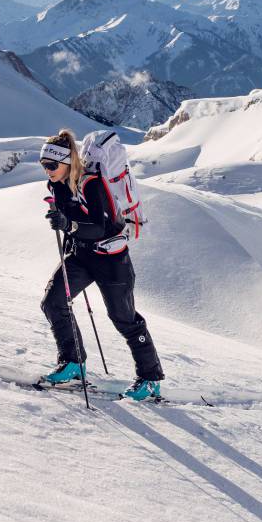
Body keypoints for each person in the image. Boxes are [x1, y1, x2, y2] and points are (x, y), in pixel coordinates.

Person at [38, 129, 165, 401]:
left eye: (51, 165)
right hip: (82, 255)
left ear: (68, 162)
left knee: (124, 319)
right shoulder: (57, 185)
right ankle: (73, 364)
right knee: (53, 302)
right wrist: (61, 218)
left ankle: (151, 378)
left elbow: (99, 226)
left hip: (111, 260)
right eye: (43, 165)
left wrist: (68, 224)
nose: (47, 171)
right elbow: (72, 220)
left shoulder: (92, 183)